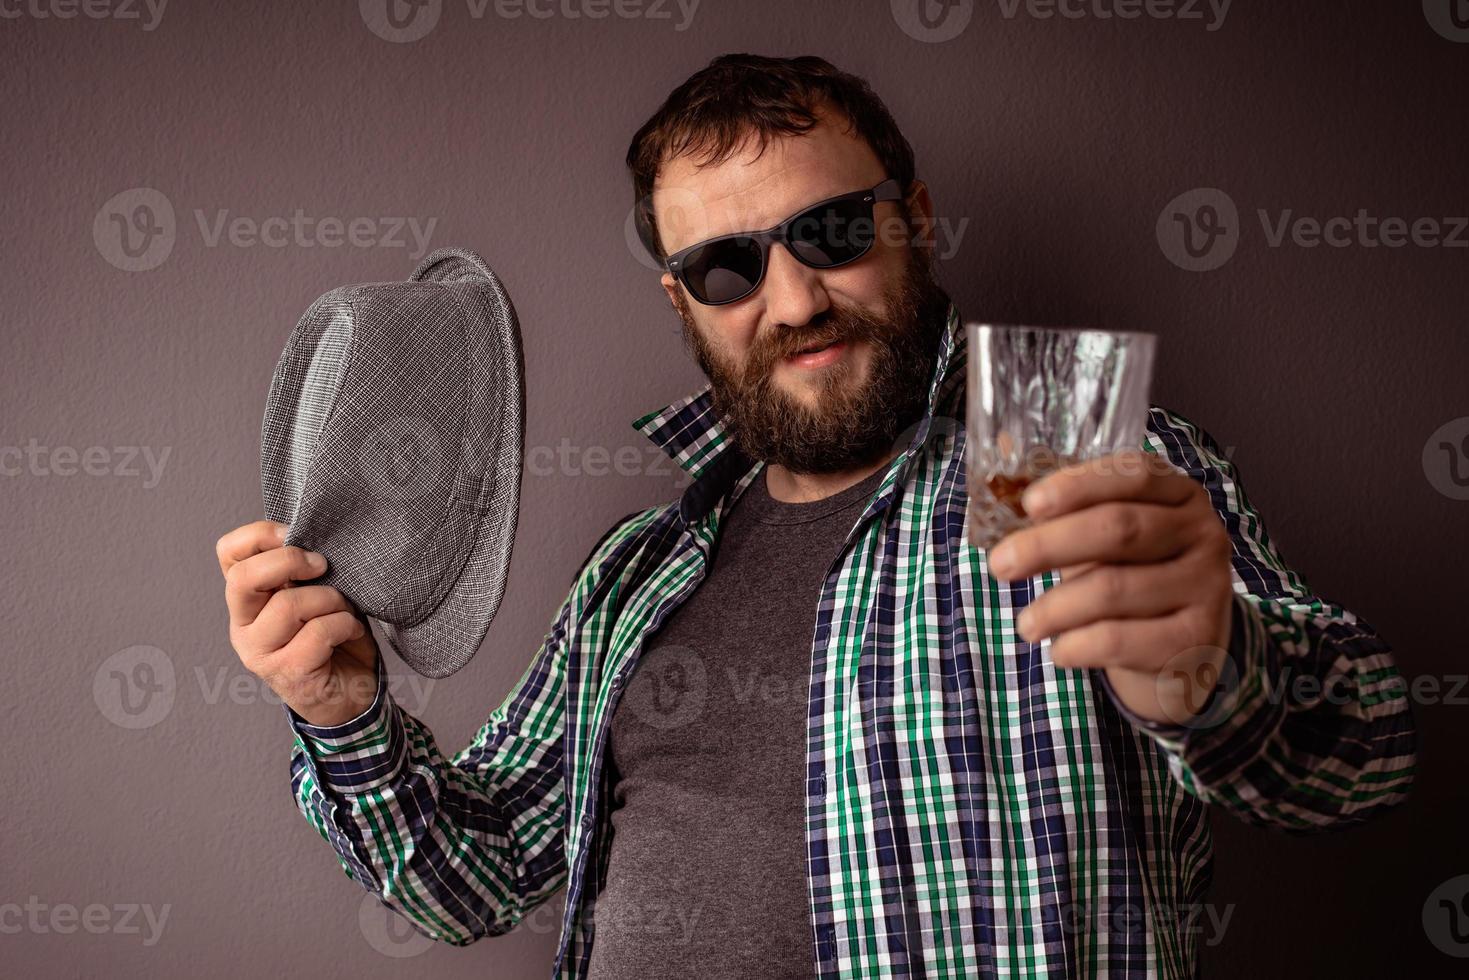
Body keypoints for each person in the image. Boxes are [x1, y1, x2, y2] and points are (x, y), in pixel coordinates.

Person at [215, 53, 1416, 980]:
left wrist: (1214, 673)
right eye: (728, 268)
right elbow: (472, 879)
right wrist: (342, 714)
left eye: (832, 232)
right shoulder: (637, 571)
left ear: (915, 218)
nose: (791, 299)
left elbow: (1359, 761)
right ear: (682, 300)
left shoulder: (1074, 462)